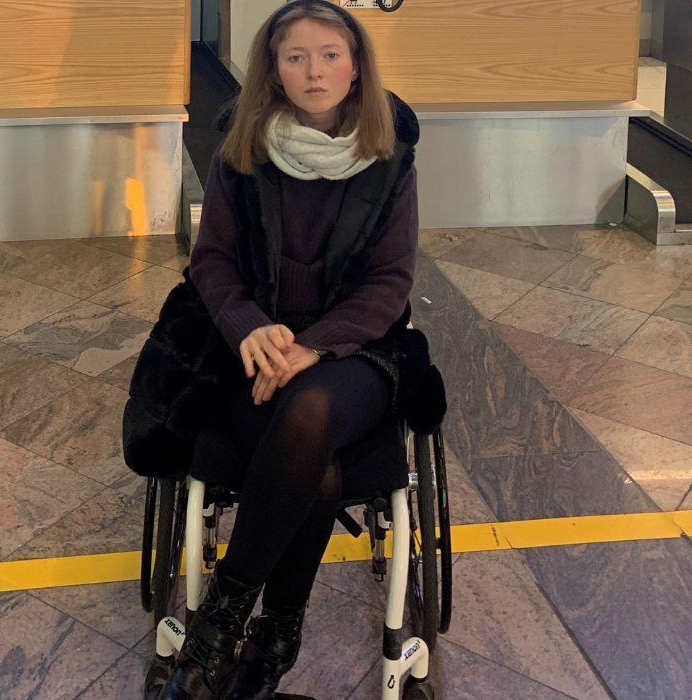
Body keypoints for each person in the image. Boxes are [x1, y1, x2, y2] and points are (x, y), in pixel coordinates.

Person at [157, 1, 419, 696]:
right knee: (321, 476)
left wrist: (315, 347)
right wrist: (247, 325)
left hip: (357, 353)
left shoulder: (389, 157)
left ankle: (218, 619)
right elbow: (210, 264)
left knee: (308, 414)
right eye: (296, 56)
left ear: (357, 64)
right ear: (272, 70)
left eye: (330, 54)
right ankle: (274, 637)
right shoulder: (239, 153)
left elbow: (391, 282)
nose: (315, 70)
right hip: (254, 350)